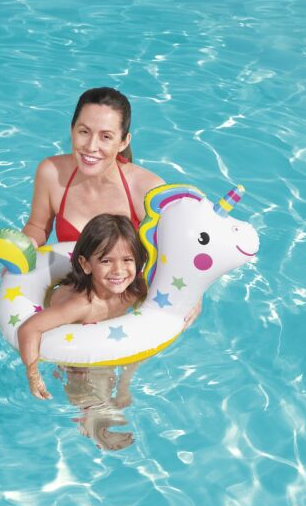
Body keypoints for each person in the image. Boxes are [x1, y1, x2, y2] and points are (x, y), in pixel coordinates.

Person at [20, 86, 201, 326]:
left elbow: (181, 247)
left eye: (106, 136)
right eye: (84, 132)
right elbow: (37, 226)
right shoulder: (51, 173)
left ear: (123, 141)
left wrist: (192, 290)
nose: (91, 146)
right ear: (72, 130)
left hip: (124, 298)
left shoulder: (147, 189)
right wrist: (23, 248)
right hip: (78, 287)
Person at [17, 214, 148, 400]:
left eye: (127, 260)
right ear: (86, 264)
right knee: (82, 379)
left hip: (106, 337)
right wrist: (33, 375)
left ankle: (123, 387)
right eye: (106, 261)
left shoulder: (134, 291)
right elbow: (29, 329)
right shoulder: (81, 305)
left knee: (138, 345)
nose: (119, 270)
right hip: (75, 345)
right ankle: (90, 410)